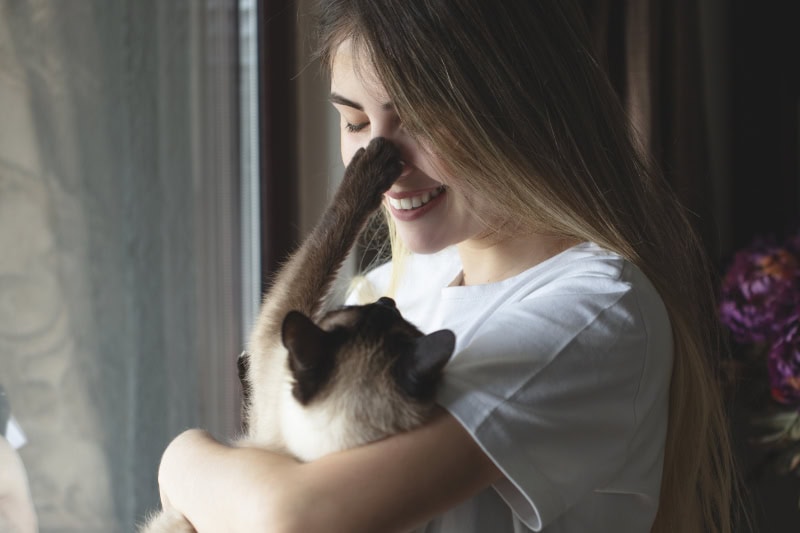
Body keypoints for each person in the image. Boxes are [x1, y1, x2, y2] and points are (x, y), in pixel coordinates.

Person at [156, 1, 742, 531]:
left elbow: (293, 519)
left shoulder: (592, 313)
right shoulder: (388, 292)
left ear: (516, 106)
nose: (379, 159)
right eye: (356, 122)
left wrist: (182, 456)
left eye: (418, 117)